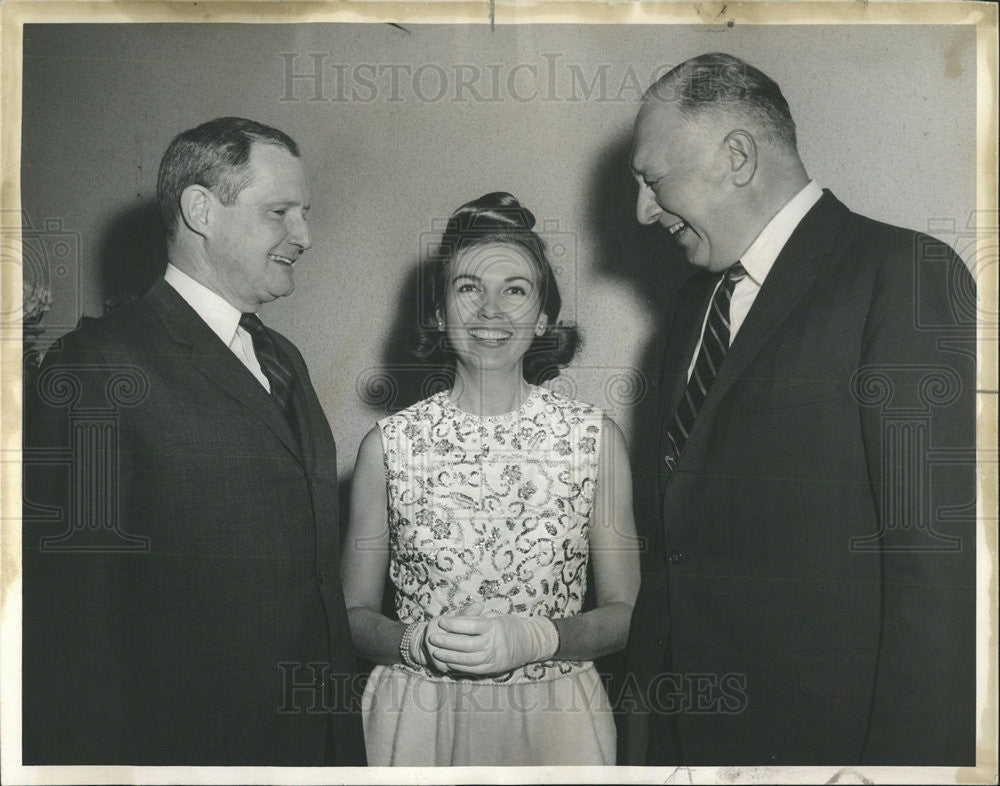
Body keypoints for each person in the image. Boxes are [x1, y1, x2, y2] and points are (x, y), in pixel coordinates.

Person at [624, 52, 976, 766]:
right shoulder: (694, 305)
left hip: (827, 747)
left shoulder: (903, 275)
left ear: (738, 158)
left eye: (653, 181)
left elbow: (933, 566)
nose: (642, 212)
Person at [22, 117, 365, 765]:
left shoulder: (282, 355)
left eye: (305, 213)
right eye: (281, 212)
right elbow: (69, 629)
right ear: (201, 209)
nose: (305, 236)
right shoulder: (96, 367)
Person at [341, 192, 641, 766]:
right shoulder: (388, 447)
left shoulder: (594, 441)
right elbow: (352, 616)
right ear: (437, 312)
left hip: (558, 722)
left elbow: (626, 613)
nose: (491, 311)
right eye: (469, 288)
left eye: (516, 290)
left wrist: (542, 637)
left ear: (545, 316)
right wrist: (413, 643)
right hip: (416, 717)